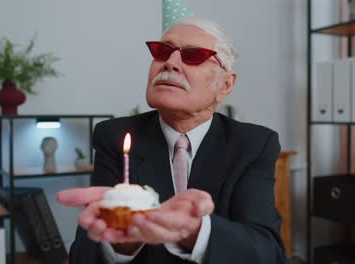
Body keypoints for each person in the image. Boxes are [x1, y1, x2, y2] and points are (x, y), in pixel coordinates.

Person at [57, 17, 289, 264]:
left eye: (194, 55)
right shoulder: (114, 137)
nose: (170, 63)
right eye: (162, 51)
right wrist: (122, 242)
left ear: (225, 85)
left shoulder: (254, 144)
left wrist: (195, 231)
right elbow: (83, 256)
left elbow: (267, 253)